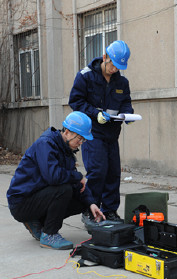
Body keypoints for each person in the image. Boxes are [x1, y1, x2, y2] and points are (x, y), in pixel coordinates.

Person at [6, 111, 105, 250]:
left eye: (83, 140)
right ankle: (49, 234)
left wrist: (91, 204)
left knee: (80, 201)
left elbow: (73, 180)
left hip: (38, 196)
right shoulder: (45, 144)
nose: (80, 143)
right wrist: (78, 177)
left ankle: (38, 222)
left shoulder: (66, 150)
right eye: (79, 139)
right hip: (21, 202)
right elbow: (53, 177)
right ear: (68, 132)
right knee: (63, 189)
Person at [69, 40, 133, 223]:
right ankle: (90, 210)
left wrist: (128, 115)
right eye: (112, 64)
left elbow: (126, 102)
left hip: (112, 134)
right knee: (97, 171)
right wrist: (95, 113)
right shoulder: (85, 76)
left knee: (113, 173)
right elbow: (76, 102)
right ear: (105, 57)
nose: (114, 69)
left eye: (118, 67)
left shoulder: (122, 82)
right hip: (92, 133)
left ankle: (110, 211)